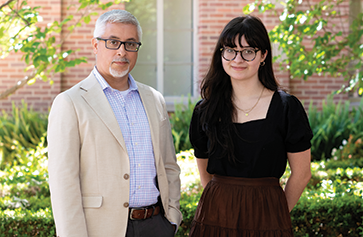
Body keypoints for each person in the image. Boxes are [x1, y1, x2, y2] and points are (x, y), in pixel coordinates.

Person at [47, 9, 182, 237]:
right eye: (113, 42)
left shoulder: (154, 99)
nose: (122, 51)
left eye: (130, 44)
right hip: (101, 230)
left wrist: (172, 218)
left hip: (156, 226)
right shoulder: (70, 102)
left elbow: (169, 166)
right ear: (96, 45)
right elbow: (63, 183)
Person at [188, 15, 313, 236]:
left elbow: (302, 174)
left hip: (268, 216)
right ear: (221, 54)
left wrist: (277, 212)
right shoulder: (205, 110)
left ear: (263, 55)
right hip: (216, 216)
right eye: (230, 50)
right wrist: (223, 204)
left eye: (248, 51)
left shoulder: (286, 108)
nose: (238, 59)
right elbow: (205, 173)